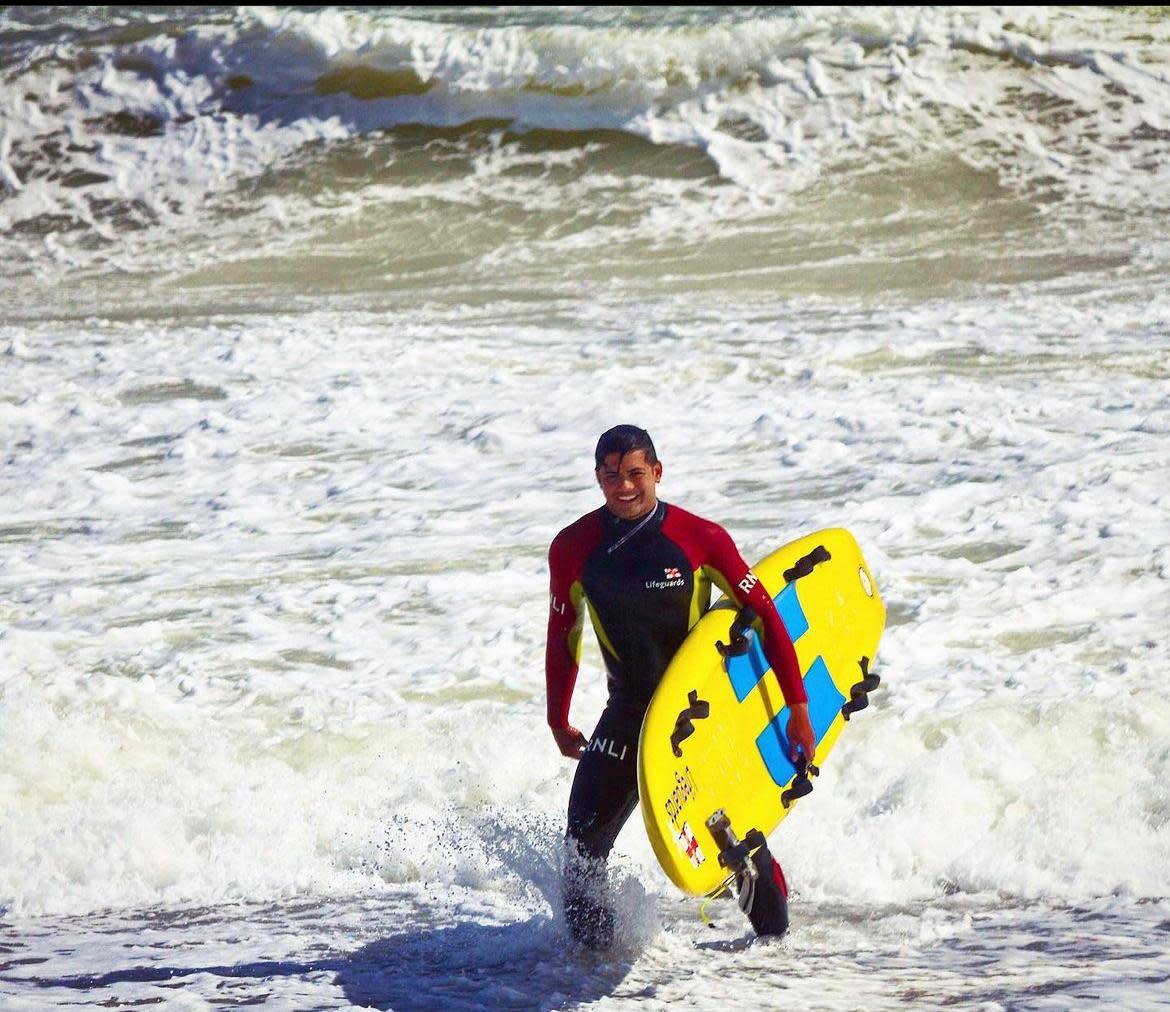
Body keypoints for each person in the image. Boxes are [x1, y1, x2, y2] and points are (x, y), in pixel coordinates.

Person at [546, 424, 815, 947]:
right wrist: (557, 718)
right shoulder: (574, 547)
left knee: (734, 846)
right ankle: (594, 968)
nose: (623, 487)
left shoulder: (700, 539)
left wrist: (797, 708)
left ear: (657, 472)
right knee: (581, 851)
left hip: (696, 715)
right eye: (610, 476)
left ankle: (775, 960)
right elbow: (563, 636)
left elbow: (766, 617)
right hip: (627, 712)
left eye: (634, 474)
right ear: (597, 478)